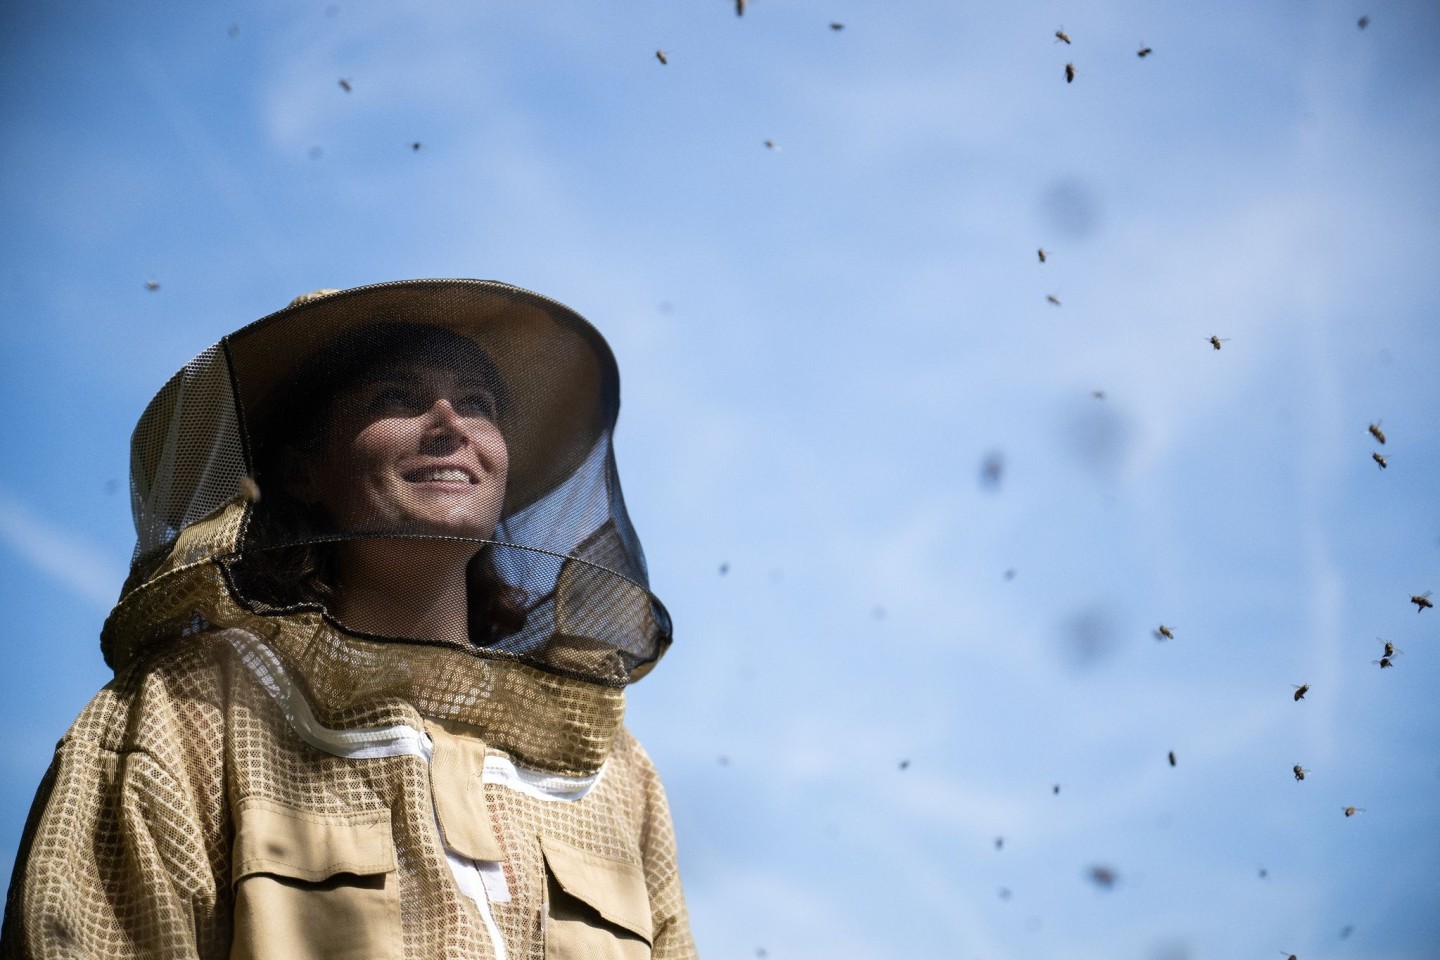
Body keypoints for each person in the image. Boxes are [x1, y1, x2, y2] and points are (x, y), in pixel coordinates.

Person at [1, 280, 696, 959]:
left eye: (479, 404)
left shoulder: (606, 763)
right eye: (396, 398)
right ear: (305, 471)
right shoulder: (189, 708)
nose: (451, 423)